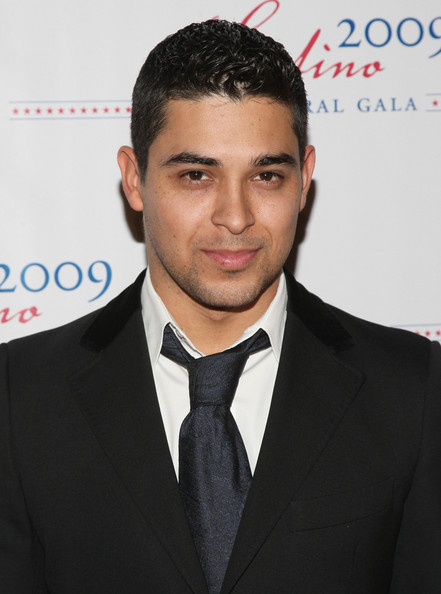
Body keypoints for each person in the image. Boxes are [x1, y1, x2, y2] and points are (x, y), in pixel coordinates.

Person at [1, 19, 441, 594]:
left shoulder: (414, 390)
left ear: (304, 179)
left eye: (266, 175)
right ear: (135, 181)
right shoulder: (19, 397)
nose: (235, 217)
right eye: (195, 175)